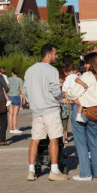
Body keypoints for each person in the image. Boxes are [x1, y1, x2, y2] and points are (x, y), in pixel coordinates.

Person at [25, 44, 69, 182]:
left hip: (36, 110)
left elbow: (25, 91)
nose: (56, 56)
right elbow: (55, 89)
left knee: (35, 139)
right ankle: (54, 170)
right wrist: (61, 98)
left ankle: (31, 171)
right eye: (55, 54)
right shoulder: (52, 70)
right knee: (54, 138)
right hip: (50, 109)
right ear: (48, 55)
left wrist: (32, 101)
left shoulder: (30, 70)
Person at [67, 52, 97, 181]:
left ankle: (85, 173)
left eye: (86, 62)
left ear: (90, 63)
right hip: (95, 111)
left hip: (83, 110)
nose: (84, 65)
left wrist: (72, 96)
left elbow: (73, 93)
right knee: (94, 140)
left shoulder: (87, 75)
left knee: (81, 142)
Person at [61, 64, 78, 144]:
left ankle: (64, 138)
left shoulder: (67, 78)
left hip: (69, 100)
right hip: (78, 100)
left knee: (65, 120)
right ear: (74, 70)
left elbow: (64, 90)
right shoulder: (77, 77)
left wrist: (67, 98)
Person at [7, 67, 24, 134]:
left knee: (10, 113)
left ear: (12, 72)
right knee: (15, 114)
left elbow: (7, 88)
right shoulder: (20, 80)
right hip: (16, 97)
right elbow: (21, 90)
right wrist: (23, 98)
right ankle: (14, 128)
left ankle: (11, 128)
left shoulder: (8, 79)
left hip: (9, 97)